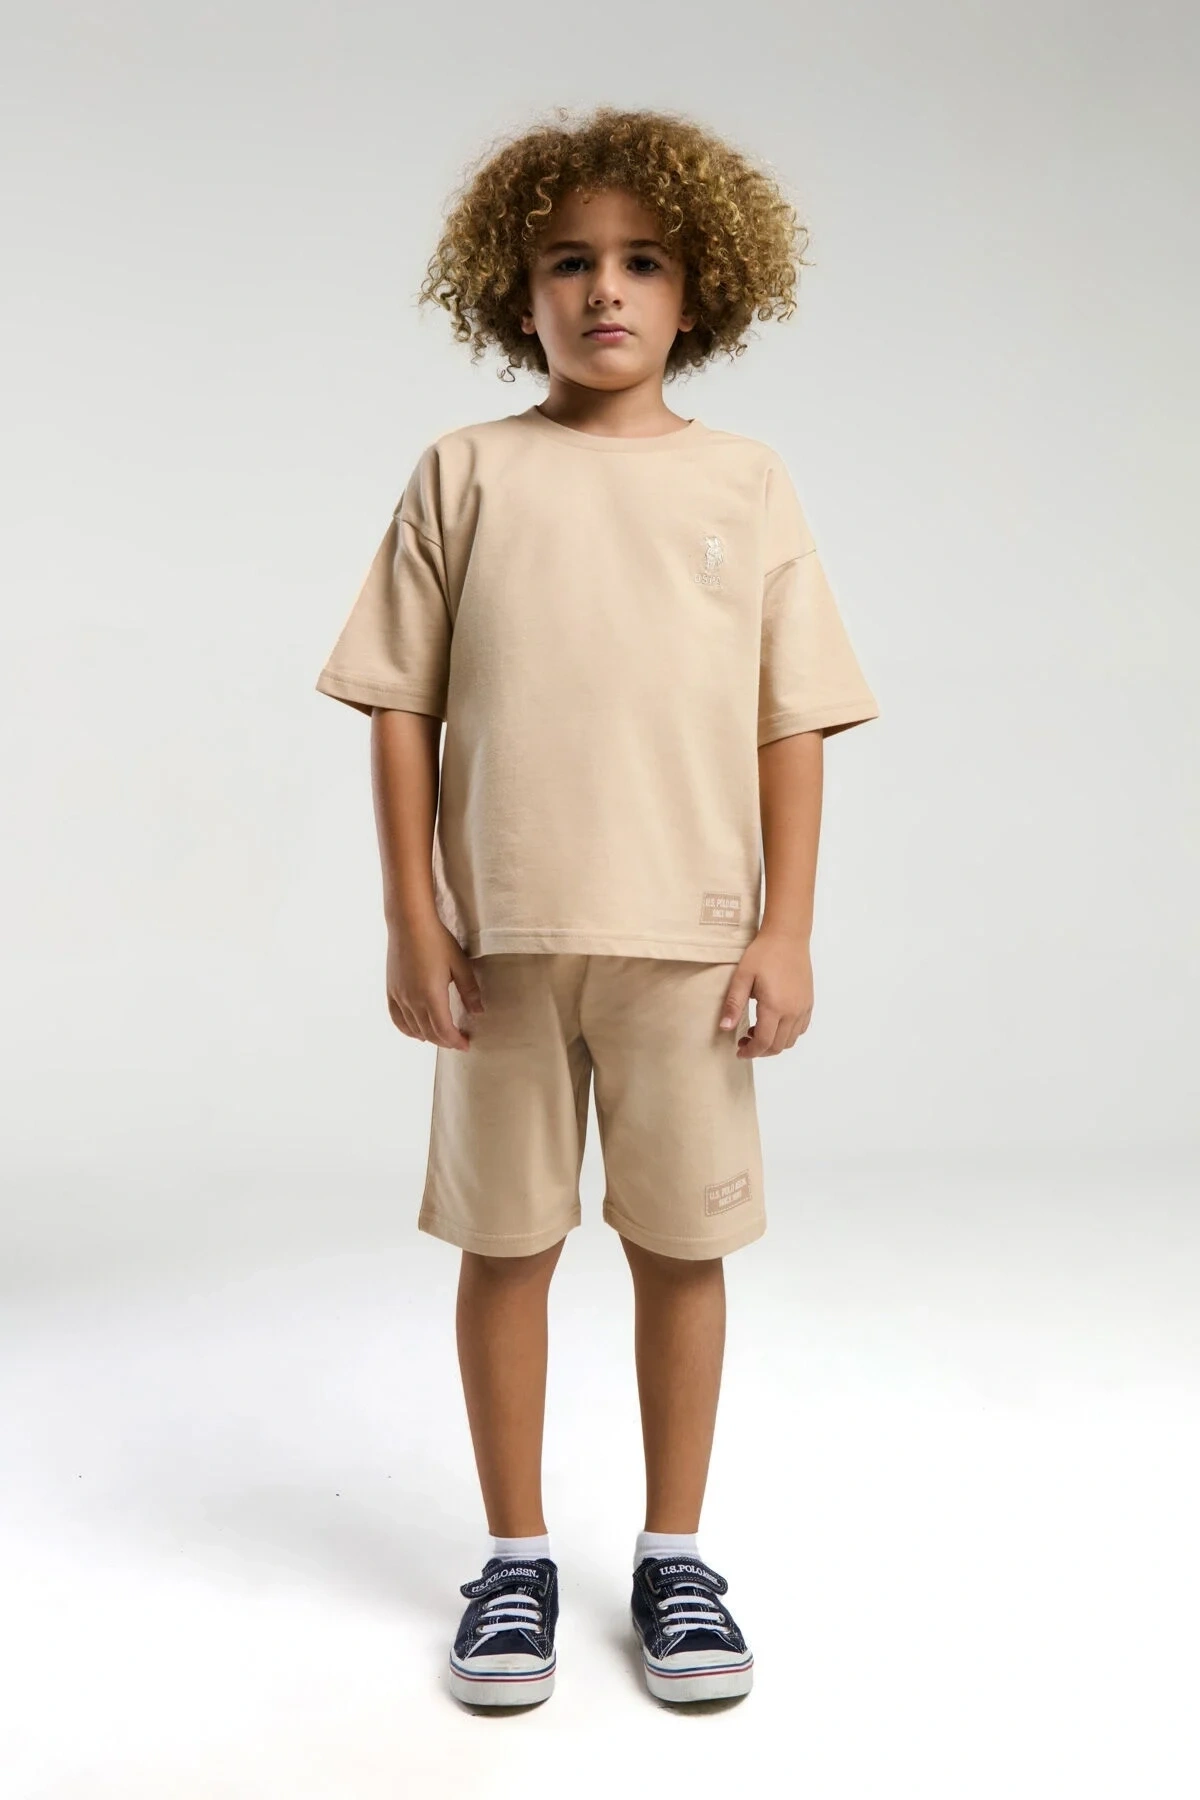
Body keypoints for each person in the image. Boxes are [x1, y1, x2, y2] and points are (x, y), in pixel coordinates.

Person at [314, 103, 879, 1709]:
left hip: (689, 950)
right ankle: (514, 1560)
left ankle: (675, 1555)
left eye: (642, 262)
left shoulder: (746, 484)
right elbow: (400, 705)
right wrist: (412, 917)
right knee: (507, 1245)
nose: (605, 290)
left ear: (702, 293)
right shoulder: (467, 472)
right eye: (569, 262)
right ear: (519, 291)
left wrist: (787, 927)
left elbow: (790, 718)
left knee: (680, 1248)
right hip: (498, 949)